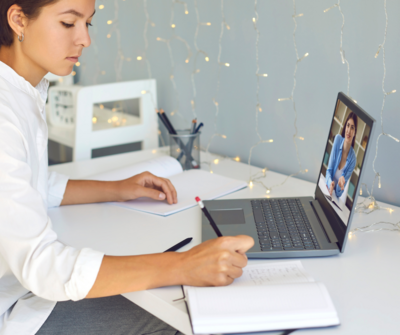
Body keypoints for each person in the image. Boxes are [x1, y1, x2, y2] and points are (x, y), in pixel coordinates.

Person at [0, 1, 254, 334]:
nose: (84, 40)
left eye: (87, 24)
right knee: (188, 322)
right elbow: (43, 266)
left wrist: (118, 187)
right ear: (19, 20)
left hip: (22, 289)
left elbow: (33, 185)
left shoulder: (24, 90)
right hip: (15, 306)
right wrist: (184, 265)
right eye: (68, 23)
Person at [326, 112, 357, 199]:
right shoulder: (337, 140)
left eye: (352, 128)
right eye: (348, 125)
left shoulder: (353, 159)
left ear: (355, 132)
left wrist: (339, 186)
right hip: (327, 190)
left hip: (335, 198)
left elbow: (339, 193)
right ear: (345, 126)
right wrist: (330, 183)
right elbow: (328, 171)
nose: (349, 131)